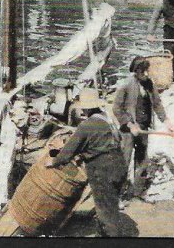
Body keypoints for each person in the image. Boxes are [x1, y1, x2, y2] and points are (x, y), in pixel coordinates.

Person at [46, 88, 127, 237]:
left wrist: (55, 161)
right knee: (110, 206)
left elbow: (68, 152)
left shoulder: (86, 125)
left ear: (84, 108)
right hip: (119, 165)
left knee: (105, 212)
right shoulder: (107, 119)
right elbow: (112, 141)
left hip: (103, 171)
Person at [113, 58, 174, 200]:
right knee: (125, 159)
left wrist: (167, 122)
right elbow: (117, 109)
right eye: (143, 72)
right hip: (128, 129)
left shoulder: (149, 84)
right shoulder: (126, 85)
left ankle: (138, 191)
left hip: (143, 128)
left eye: (147, 71)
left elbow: (157, 103)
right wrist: (130, 124)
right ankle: (119, 193)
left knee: (142, 159)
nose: (146, 74)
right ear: (136, 72)